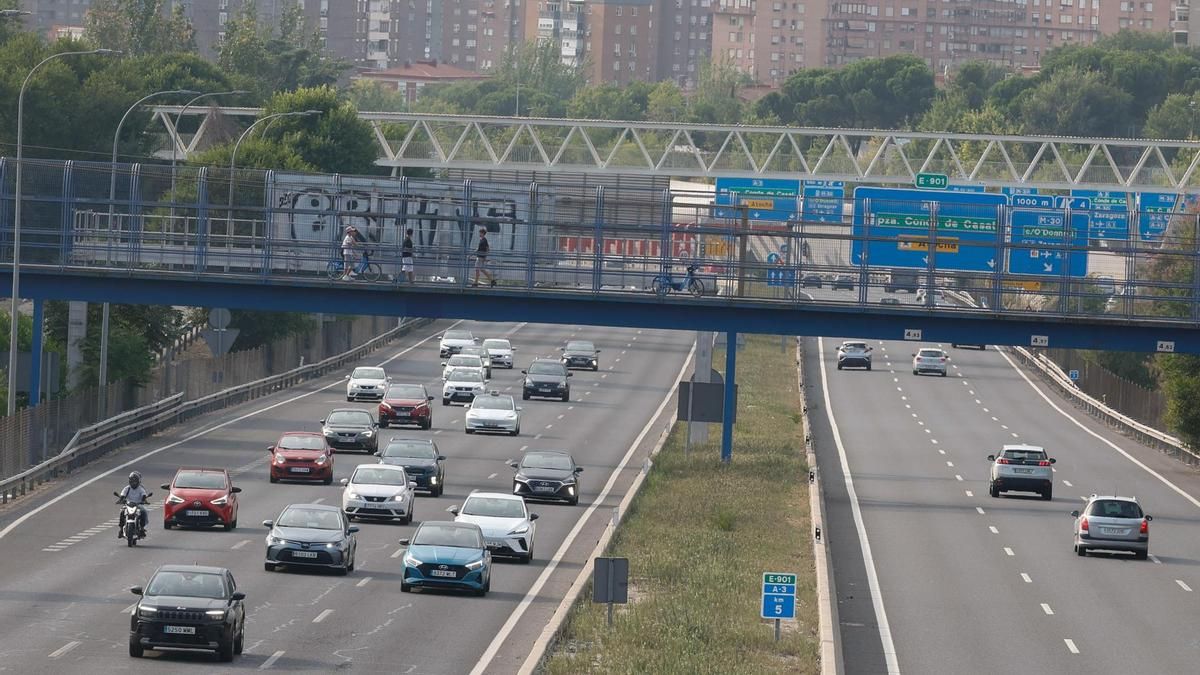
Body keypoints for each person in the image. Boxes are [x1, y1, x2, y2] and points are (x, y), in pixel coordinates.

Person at [118, 471, 150, 538]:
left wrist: (144, 500)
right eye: (132, 481)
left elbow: (143, 495)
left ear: (138, 481)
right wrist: (121, 499)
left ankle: (141, 528)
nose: (133, 483)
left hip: (138, 505)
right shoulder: (127, 488)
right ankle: (121, 529)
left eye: (135, 481)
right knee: (121, 512)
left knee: (143, 511)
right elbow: (123, 495)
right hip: (128, 505)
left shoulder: (141, 489)